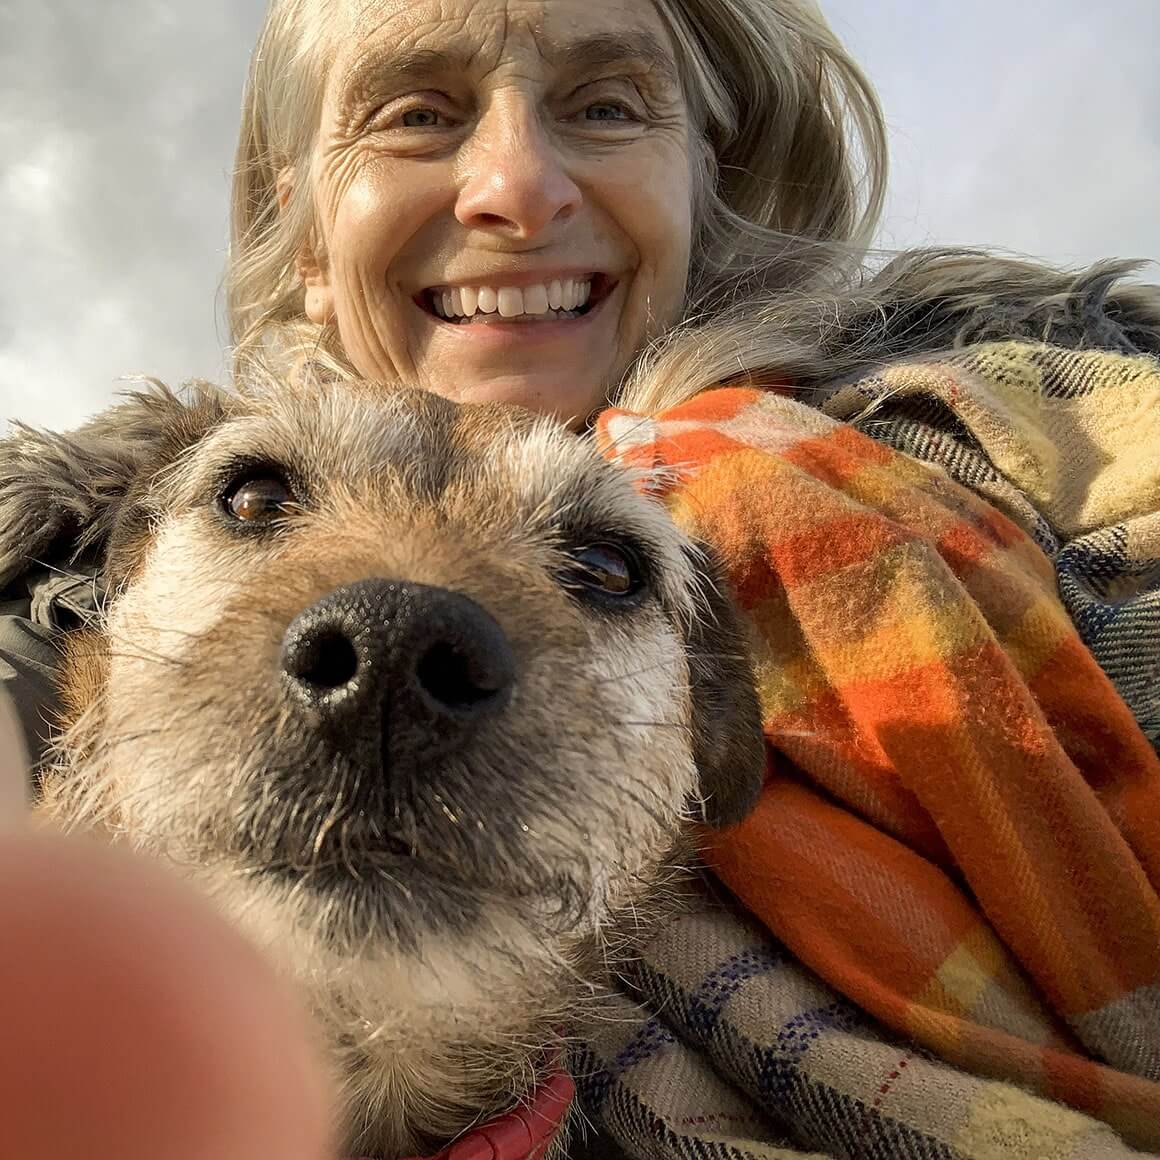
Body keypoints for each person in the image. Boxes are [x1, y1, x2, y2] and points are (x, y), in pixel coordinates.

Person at [2, 0, 1158, 1157]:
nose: (515, 182)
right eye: (258, 502)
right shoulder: (63, 543)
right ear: (305, 236)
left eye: (604, 106)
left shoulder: (1025, 429)